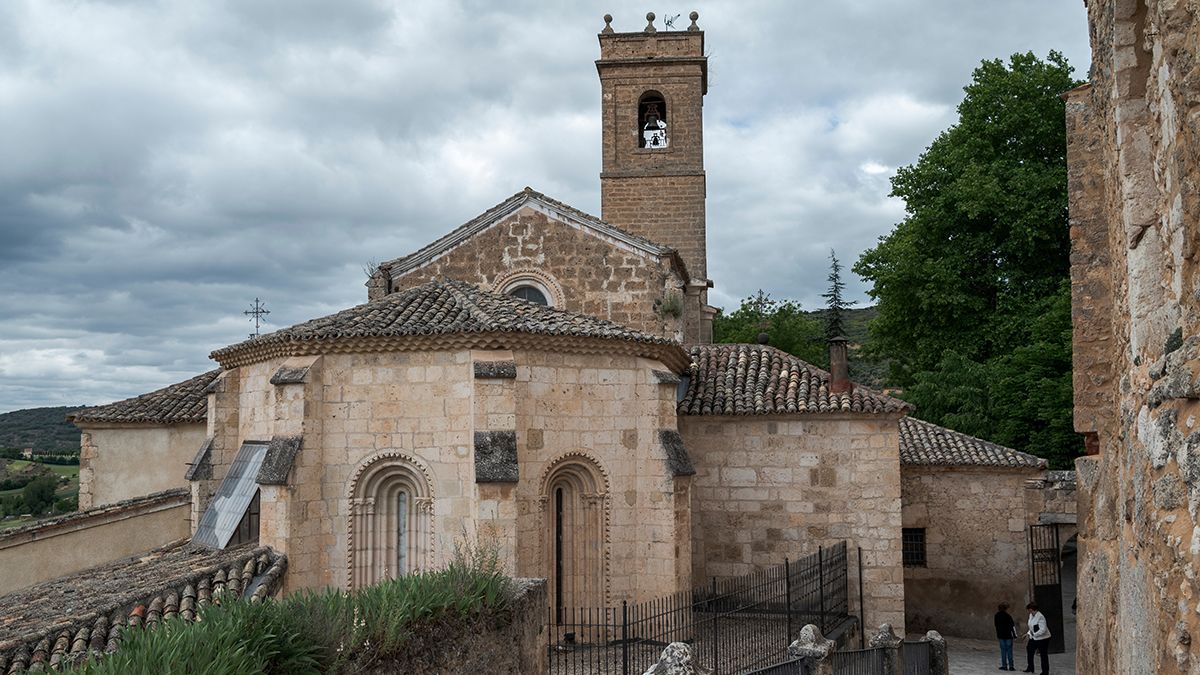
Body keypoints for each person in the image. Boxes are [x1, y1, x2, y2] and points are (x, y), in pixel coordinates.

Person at [1023, 602, 1051, 674]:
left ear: (1032, 609)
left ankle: (1045, 671)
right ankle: (1030, 667)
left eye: (1029, 610)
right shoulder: (1031, 615)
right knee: (1029, 650)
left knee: (1043, 655)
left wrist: (1034, 634)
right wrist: (1028, 633)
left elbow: (1043, 629)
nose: (1029, 611)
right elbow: (1031, 627)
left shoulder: (1041, 617)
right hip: (1034, 638)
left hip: (1043, 639)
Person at [994, 603, 1017, 670]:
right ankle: (1011, 666)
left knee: (1003, 651)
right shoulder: (1008, 616)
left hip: (1001, 635)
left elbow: (996, 625)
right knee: (1009, 651)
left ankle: (1004, 665)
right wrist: (1015, 635)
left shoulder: (996, 616)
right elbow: (1012, 626)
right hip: (1008, 636)